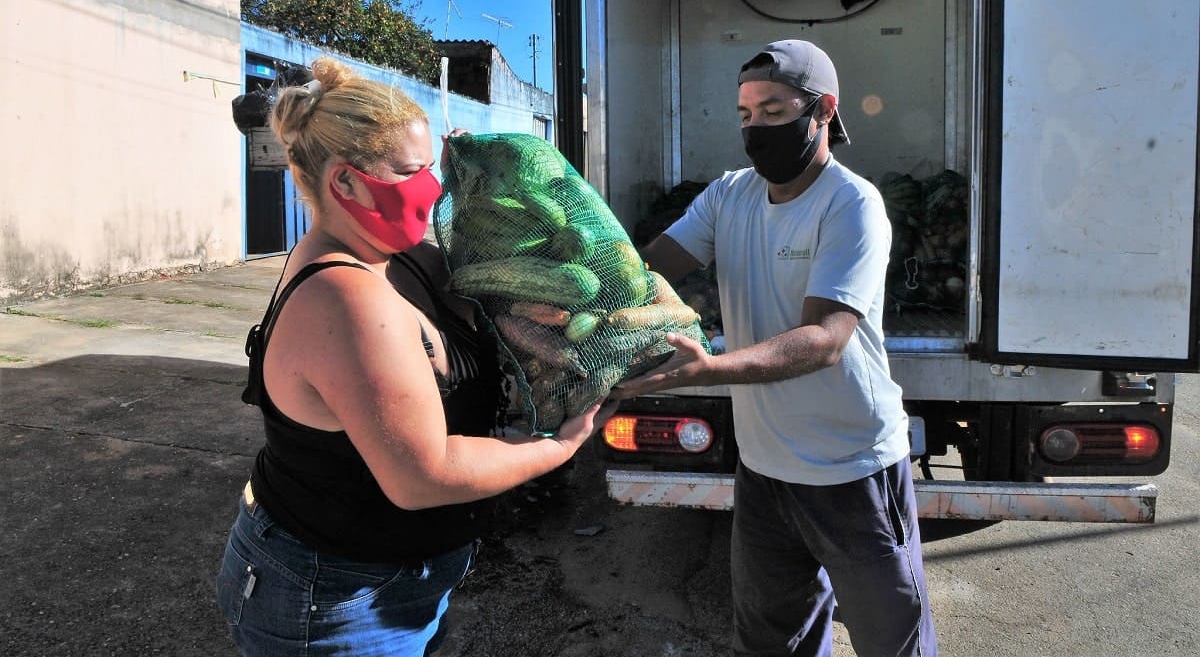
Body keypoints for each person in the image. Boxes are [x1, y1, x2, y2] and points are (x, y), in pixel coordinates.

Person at [215, 56, 613, 656]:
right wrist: (556, 448)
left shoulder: (399, 257)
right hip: (335, 600)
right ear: (345, 182)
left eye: (433, 167)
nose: (433, 187)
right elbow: (422, 477)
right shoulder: (344, 298)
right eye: (409, 172)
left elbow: (510, 293)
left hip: (398, 581)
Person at [613, 40, 938, 656]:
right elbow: (648, 270)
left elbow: (824, 340)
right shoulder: (728, 195)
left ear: (822, 111)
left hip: (852, 467)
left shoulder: (851, 203)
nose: (756, 128)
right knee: (772, 643)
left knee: (892, 642)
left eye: (774, 110)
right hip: (763, 468)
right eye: (745, 114)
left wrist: (708, 369)